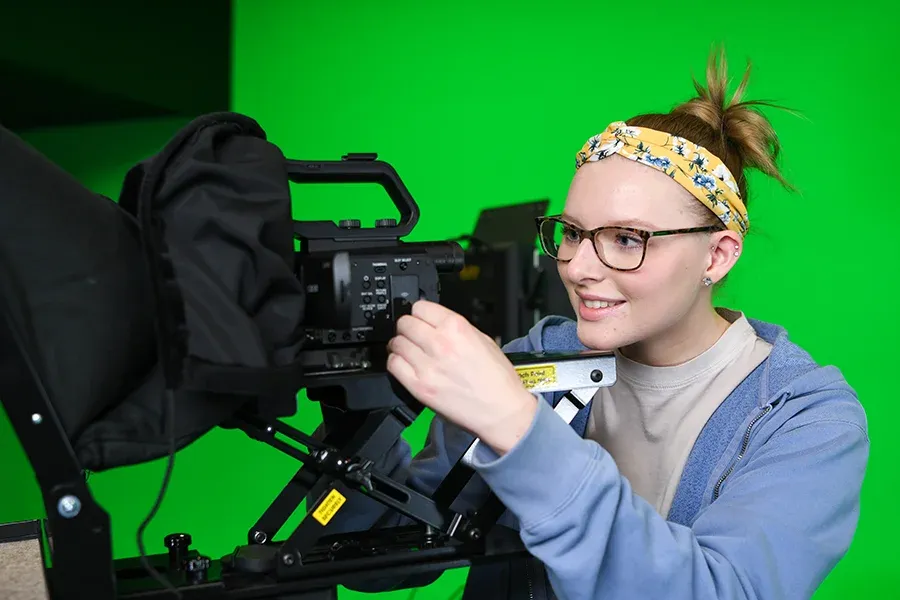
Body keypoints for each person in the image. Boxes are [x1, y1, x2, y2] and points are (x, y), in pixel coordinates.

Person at [313, 46, 870, 600]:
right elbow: (385, 557)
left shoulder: (804, 419)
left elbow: (721, 590)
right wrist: (360, 408)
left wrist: (518, 428)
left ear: (718, 255)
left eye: (626, 239)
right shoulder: (536, 361)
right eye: (573, 233)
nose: (577, 268)